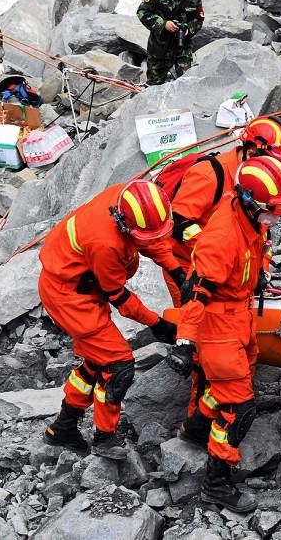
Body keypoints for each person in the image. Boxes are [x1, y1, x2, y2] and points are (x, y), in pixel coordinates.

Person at [166, 156, 281, 512]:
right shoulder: (222, 237)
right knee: (240, 408)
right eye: (273, 208)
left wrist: (258, 273)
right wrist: (184, 340)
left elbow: (257, 251)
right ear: (252, 202)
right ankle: (216, 483)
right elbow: (196, 294)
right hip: (217, 324)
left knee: (230, 383)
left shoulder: (250, 218)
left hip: (239, 316)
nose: (279, 214)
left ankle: (195, 429)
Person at [40, 180, 183, 459]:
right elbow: (121, 299)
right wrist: (156, 323)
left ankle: (63, 428)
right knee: (118, 364)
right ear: (123, 224)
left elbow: (149, 238)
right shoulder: (104, 243)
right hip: (70, 297)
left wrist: (175, 268)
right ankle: (105, 437)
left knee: (97, 360)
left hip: (80, 285)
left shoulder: (131, 202)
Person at [161, 115, 281, 306]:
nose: (275, 170)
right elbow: (179, 224)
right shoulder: (209, 175)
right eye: (272, 163)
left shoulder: (258, 182)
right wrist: (223, 253)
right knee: (199, 323)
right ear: (251, 153)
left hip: (230, 265)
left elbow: (261, 230)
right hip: (190, 264)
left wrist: (260, 268)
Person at [137, 0, 204, 85]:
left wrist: (189, 29)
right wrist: (163, 24)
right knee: (154, 87)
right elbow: (142, 12)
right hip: (160, 48)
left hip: (183, 47)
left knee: (186, 84)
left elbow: (199, 17)